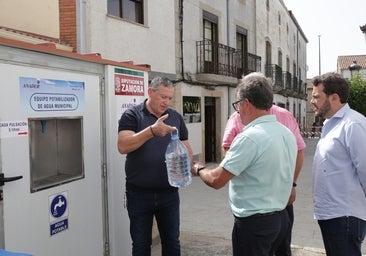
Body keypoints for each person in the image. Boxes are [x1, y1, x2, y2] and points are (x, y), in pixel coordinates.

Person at [192, 72, 298, 256]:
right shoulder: (285, 133)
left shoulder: (249, 138)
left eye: (237, 106)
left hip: (255, 224)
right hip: (281, 218)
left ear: (246, 103)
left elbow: (217, 180)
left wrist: (199, 168)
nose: (238, 111)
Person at [118, 76, 193, 256]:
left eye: (169, 98)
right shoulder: (132, 115)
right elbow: (123, 146)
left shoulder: (175, 117)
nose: (167, 102)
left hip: (169, 193)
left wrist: (186, 163)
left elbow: (187, 148)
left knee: (172, 242)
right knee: (141, 244)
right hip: (139, 193)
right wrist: (152, 131)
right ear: (150, 92)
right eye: (163, 97)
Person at [222, 105, 306, 256]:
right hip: (279, 207)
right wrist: (291, 184)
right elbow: (299, 151)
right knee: (281, 248)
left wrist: (199, 169)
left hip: (256, 212)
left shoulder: (246, 125)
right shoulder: (284, 124)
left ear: (246, 102)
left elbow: (218, 177)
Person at [310, 72, 366, 256]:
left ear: (334, 97)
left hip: (345, 216)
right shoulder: (331, 124)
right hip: (332, 214)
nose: (312, 101)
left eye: (317, 96)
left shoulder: (352, 124)